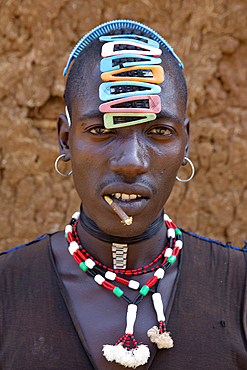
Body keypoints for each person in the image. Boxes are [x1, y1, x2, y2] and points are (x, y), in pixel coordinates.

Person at [0, 19, 246, 370]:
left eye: (160, 131)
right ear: (66, 139)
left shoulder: (239, 290)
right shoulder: (7, 291)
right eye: (101, 129)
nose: (131, 162)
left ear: (186, 141)